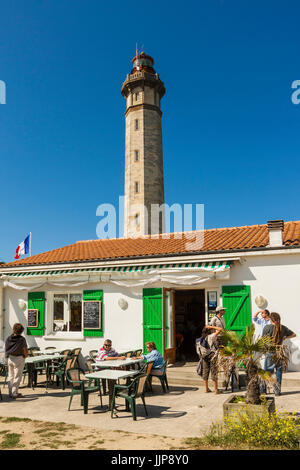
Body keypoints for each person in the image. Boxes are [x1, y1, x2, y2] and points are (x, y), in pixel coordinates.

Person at [262, 312, 296, 396]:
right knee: (278, 371)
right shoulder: (283, 328)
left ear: (271, 319)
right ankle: (277, 391)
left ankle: (263, 390)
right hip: (280, 352)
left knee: (267, 372)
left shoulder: (267, 327)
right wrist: (285, 337)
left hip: (270, 351)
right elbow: (294, 334)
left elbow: (263, 340)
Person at [196, 325, 223, 394]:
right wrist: (212, 327)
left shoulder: (199, 339)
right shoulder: (211, 336)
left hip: (204, 357)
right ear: (209, 331)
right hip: (211, 356)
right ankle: (216, 390)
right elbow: (220, 329)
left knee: (205, 372)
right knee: (214, 371)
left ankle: (206, 388)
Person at [5, 323, 28, 399]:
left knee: (10, 376)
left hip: (10, 358)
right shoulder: (22, 339)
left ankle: (10, 392)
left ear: (13, 329)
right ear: (21, 331)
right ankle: (14, 393)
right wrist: (25, 356)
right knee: (17, 377)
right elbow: (25, 350)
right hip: (18, 358)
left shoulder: (8, 338)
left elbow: (6, 349)